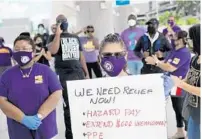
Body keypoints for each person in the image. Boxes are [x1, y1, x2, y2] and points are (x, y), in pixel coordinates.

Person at [0, 35, 62, 139]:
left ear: (33, 52)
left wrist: (39, 116)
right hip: (19, 130)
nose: (20, 52)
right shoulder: (7, 75)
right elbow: (2, 101)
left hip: (45, 128)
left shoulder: (45, 71)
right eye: (17, 49)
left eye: (24, 49)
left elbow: (57, 93)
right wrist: (23, 119)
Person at [47, 14, 89, 139]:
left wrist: (86, 73)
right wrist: (58, 34)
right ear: (57, 23)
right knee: (69, 107)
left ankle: (83, 131)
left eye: (64, 21)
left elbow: (81, 56)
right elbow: (53, 51)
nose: (63, 23)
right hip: (64, 75)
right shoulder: (52, 37)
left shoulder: (75, 37)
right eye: (60, 21)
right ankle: (70, 135)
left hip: (78, 73)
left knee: (82, 104)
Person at [145, 30, 191, 138]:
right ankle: (180, 131)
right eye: (174, 38)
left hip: (179, 83)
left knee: (181, 109)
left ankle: (190, 133)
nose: (175, 40)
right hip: (171, 81)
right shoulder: (175, 51)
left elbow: (171, 68)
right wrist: (158, 58)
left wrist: (156, 62)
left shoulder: (184, 52)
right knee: (176, 108)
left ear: (184, 40)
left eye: (177, 38)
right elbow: (166, 63)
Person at [171, 24, 201, 139]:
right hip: (193, 110)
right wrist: (177, 83)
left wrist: (181, 84)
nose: (188, 42)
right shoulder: (194, 58)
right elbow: (188, 78)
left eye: (190, 39)